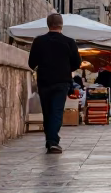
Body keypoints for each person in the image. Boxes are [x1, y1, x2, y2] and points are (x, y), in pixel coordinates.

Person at [27, 12, 81, 154]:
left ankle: (50, 140)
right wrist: (65, 68)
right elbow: (77, 63)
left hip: (44, 81)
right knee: (56, 111)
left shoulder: (39, 41)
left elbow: (31, 63)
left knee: (47, 111)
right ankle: (52, 141)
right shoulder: (69, 42)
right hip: (62, 81)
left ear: (48, 25)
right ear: (61, 25)